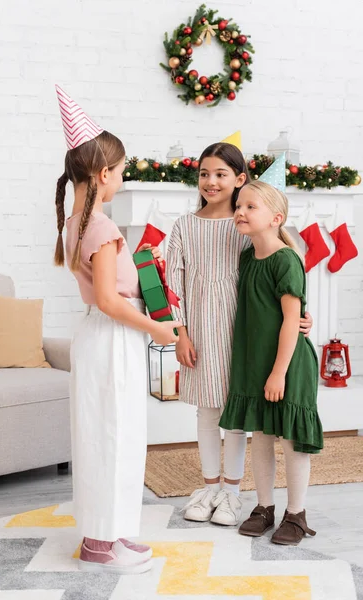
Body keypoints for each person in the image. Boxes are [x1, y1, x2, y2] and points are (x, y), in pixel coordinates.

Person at [53, 85, 179, 573]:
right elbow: (109, 299)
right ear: (103, 174)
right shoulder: (103, 229)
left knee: (108, 435)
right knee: (115, 435)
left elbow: (106, 292)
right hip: (112, 340)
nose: (124, 178)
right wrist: (157, 327)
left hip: (99, 339)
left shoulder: (78, 223)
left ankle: (107, 535)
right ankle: (102, 545)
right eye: (122, 171)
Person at [167, 143, 313, 526]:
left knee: (237, 413)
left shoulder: (242, 227)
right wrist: (180, 332)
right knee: (207, 410)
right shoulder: (184, 226)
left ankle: (232, 492)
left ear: (239, 179)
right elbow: (173, 284)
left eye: (220, 174)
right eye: (204, 174)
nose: (211, 182)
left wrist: (301, 317)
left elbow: (276, 278)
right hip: (200, 331)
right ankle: (210, 487)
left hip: (243, 334)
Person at [219, 180, 323, 546]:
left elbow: (292, 321)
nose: (241, 212)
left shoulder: (286, 260)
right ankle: (265, 507)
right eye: (239, 206)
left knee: (291, 439)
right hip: (254, 364)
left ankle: (297, 513)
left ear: (275, 218)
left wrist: (278, 372)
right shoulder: (248, 257)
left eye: (251, 207)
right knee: (260, 436)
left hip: (287, 366)